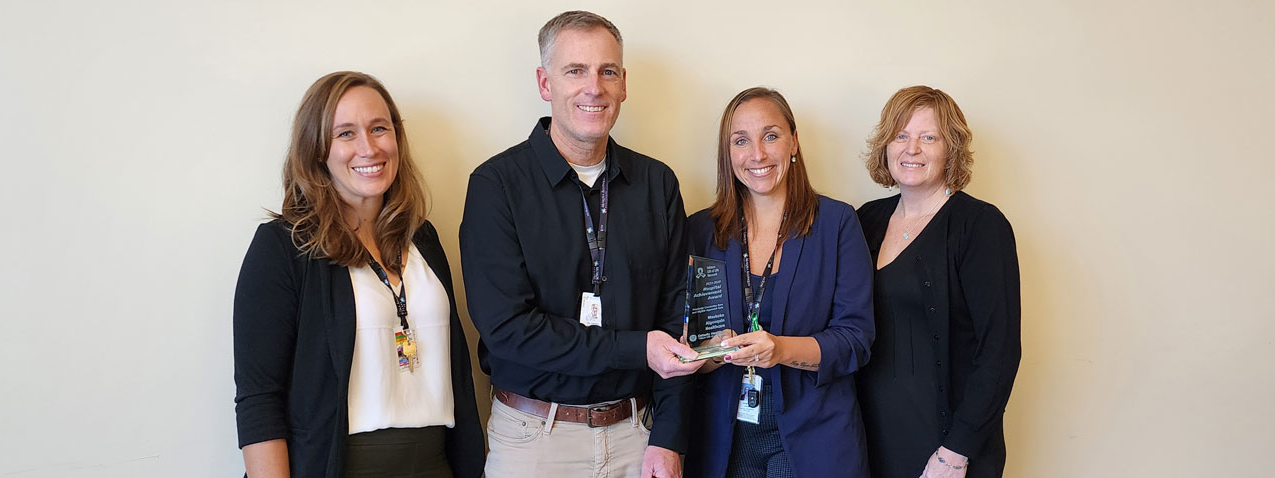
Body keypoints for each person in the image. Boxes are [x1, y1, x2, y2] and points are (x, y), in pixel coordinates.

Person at [458, 10, 703, 478]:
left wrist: (669, 439)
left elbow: (678, 320)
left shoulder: (657, 184)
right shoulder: (497, 186)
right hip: (534, 440)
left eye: (607, 71)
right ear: (544, 83)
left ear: (624, 83)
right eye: (576, 70)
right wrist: (636, 349)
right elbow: (508, 329)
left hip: (638, 434)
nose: (595, 87)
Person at [233, 71, 485, 477]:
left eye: (379, 128)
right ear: (317, 151)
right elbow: (259, 401)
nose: (369, 148)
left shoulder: (422, 237)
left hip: (437, 464)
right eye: (346, 134)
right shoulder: (284, 247)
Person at [684, 87, 875, 478]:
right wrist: (711, 353)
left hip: (815, 435)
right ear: (728, 153)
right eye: (741, 141)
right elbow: (687, 344)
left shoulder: (837, 224)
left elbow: (857, 339)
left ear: (794, 142)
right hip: (724, 436)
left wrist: (780, 350)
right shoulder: (700, 231)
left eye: (771, 135)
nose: (758, 154)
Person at [855, 85, 1021, 478]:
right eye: (901, 135)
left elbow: (999, 351)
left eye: (929, 137)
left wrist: (955, 453)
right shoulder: (865, 220)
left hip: (944, 449)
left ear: (952, 149)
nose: (912, 149)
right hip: (868, 438)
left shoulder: (980, 226)